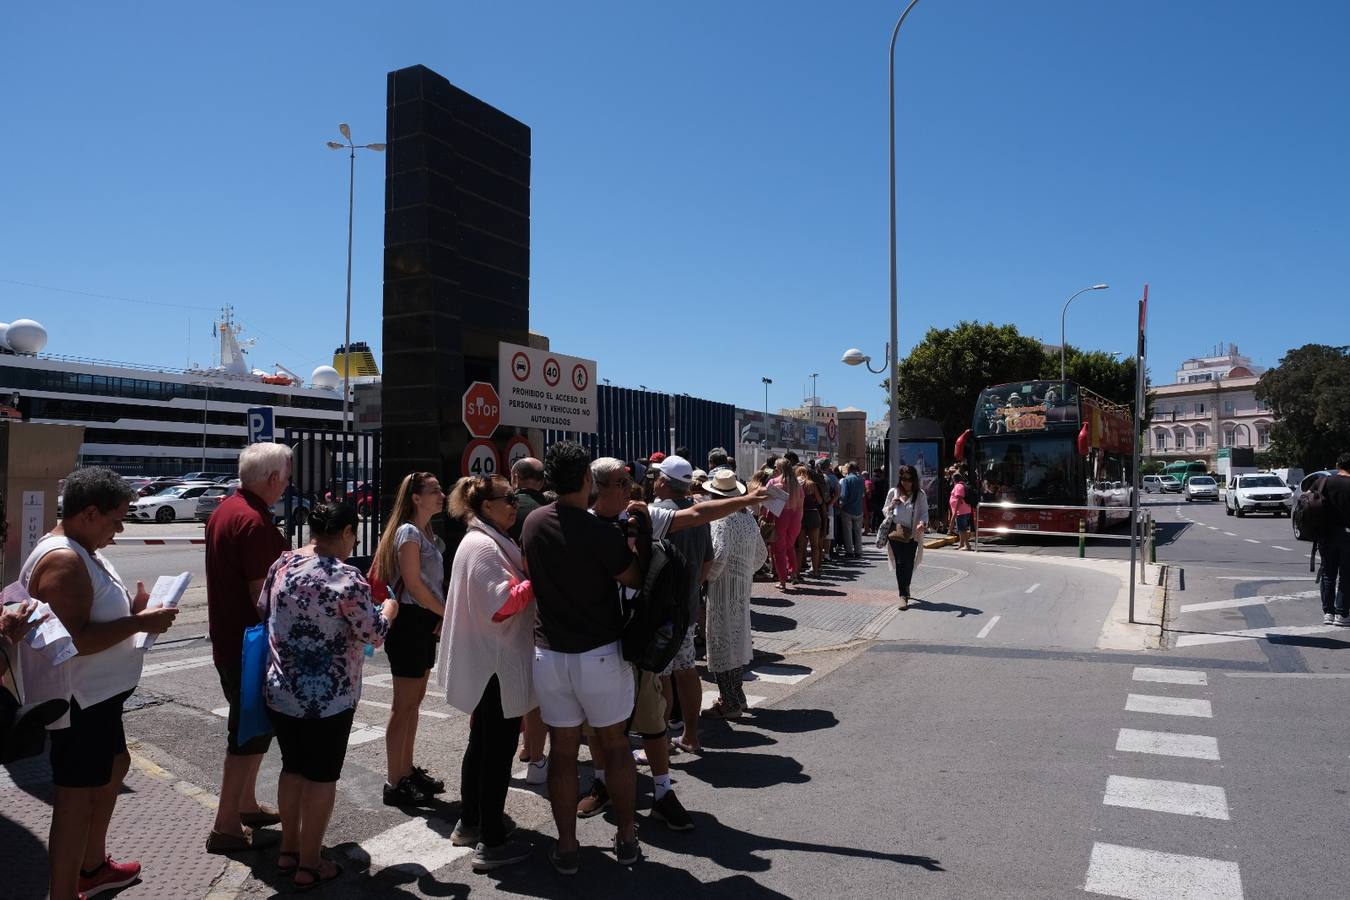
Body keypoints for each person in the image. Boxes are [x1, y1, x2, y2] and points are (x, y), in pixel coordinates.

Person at [578, 456, 768, 832]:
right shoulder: (581, 524)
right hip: (598, 641)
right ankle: (602, 783)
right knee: (601, 724)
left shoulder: (644, 516)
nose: (630, 488)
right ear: (596, 487)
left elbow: (698, 514)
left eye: (630, 481)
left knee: (651, 722)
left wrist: (745, 501)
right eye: (620, 482)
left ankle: (663, 794)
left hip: (639, 638)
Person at [21, 467, 178, 899]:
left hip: (99, 699)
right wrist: (138, 622)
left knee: (115, 765)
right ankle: (65, 890)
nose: (121, 528)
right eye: (116, 518)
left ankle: (91, 865)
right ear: (89, 513)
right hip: (80, 702)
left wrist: (135, 610)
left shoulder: (82, 547)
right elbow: (73, 641)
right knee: (74, 801)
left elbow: (93, 617)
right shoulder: (65, 559)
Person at [521, 442, 645, 873]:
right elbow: (632, 576)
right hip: (599, 654)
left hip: (550, 654)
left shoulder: (533, 523)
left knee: (562, 752)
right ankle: (627, 836)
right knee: (614, 746)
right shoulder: (599, 533)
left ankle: (568, 846)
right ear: (588, 481)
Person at [262, 502, 396, 890]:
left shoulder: (282, 565)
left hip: (282, 689)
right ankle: (310, 862)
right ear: (349, 532)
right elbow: (373, 633)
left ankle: (288, 849)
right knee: (321, 777)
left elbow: (262, 611)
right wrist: (389, 608)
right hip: (329, 696)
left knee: (292, 768)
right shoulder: (346, 578)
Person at [438, 476, 535, 871]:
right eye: (507, 499)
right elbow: (503, 604)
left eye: (513, 498)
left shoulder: (487, 540)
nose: (514, 504)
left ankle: (472, 821)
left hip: (489, 662)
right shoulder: (482, 545)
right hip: (494, 664)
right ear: (485, 506)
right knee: (495, 752)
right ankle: (491, 840)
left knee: (482, 745)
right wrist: (536, 582)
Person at [204, 442, 292, 852]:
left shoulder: (226, 509)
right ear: (273, 478)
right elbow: (266, 599)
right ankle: (225, 825)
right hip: (251, 647)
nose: (287, 486)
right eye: (286, 478)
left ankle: (244, 804)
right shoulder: (254, 523)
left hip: (231, 641)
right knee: (244, 735)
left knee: (253, 732)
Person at [370, 471, 448, 806]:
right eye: (434, 490)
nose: (442, 494)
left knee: (414, 703)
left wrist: (439, 614)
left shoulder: (428, 533)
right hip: (410, 620)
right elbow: (414, 584)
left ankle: (406, 769)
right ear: (416, 497)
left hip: (423, 618)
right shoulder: (408, 532)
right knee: (402, 706)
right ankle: (394, 781)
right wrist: (446, 613)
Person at [700, 469, 767, 719]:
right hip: (741, 588)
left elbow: (717, 557)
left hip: (722, 589)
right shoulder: (747, 517)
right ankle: (738, 696)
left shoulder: (721, 520)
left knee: (720, 642)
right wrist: (743, 572)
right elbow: (761, 555)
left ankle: (730, 702)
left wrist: (707, 578)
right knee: (736, 642)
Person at [508, 456, 550, 784]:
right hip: (542, 605)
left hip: (508, 604)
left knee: (512, 679)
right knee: (535, 687)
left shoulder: (503, 510)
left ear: (515, 476)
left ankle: (521, 746)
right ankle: (535, 756)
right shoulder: (548, 510)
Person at [884, 465, 929, 610]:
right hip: (896, 533)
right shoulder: (894, 492)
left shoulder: (920, 494)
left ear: (914, 480)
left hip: (912, 534)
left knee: (908, 563)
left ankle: (906, 586)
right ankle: (902, 595)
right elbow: (884, 509)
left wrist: (922, 523)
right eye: (903, 479)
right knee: (900, 563)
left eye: (909, 479)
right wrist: (892, 505)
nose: (906, 482)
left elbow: (924, 512)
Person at [1316, 452, 1350, 626]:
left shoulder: (1323, 481)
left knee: (1328, 574)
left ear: (1338, 466)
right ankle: (1342, 614)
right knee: (1346, 575)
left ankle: (1328, 613)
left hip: (1325, 535)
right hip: (1348, 536)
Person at [766, 458, 803, 589]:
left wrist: (766, 519)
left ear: (779, 469)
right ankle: (794, 573)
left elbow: (767, 504)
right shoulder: (797, 484)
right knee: (790, 546)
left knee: (778, 549)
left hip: (779, 517)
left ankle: (782, 580)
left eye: (775, 468)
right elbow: (801, 504)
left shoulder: (774, 482)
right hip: (795, 517)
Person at [796, 465, 824, 577]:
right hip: (813, 514)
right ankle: (815, 570)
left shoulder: (796, 485)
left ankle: (797, 572)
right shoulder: (812, 484)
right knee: (814, 545)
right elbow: (820, 501)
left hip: (801, 514)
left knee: (800, 546)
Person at [837, 463, 867, 559]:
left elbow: (844, 495)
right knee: (858, 532)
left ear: (849, 469)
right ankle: (858, 551)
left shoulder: (846, 480)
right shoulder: (862, 480)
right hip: (858, 509)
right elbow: (863, 494)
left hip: (847, 509)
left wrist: (840, 505)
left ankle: (849, 551)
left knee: (847, 532)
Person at [949, 474, 974, 551]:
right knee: (961, 529)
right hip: (965, 510)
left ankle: (967, 545)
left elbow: (959, 498)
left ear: (954, 480)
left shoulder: (958, 486)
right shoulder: (962, 485)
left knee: (962, 529)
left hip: (961, 511)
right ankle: (961, 544)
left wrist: (955, 511)